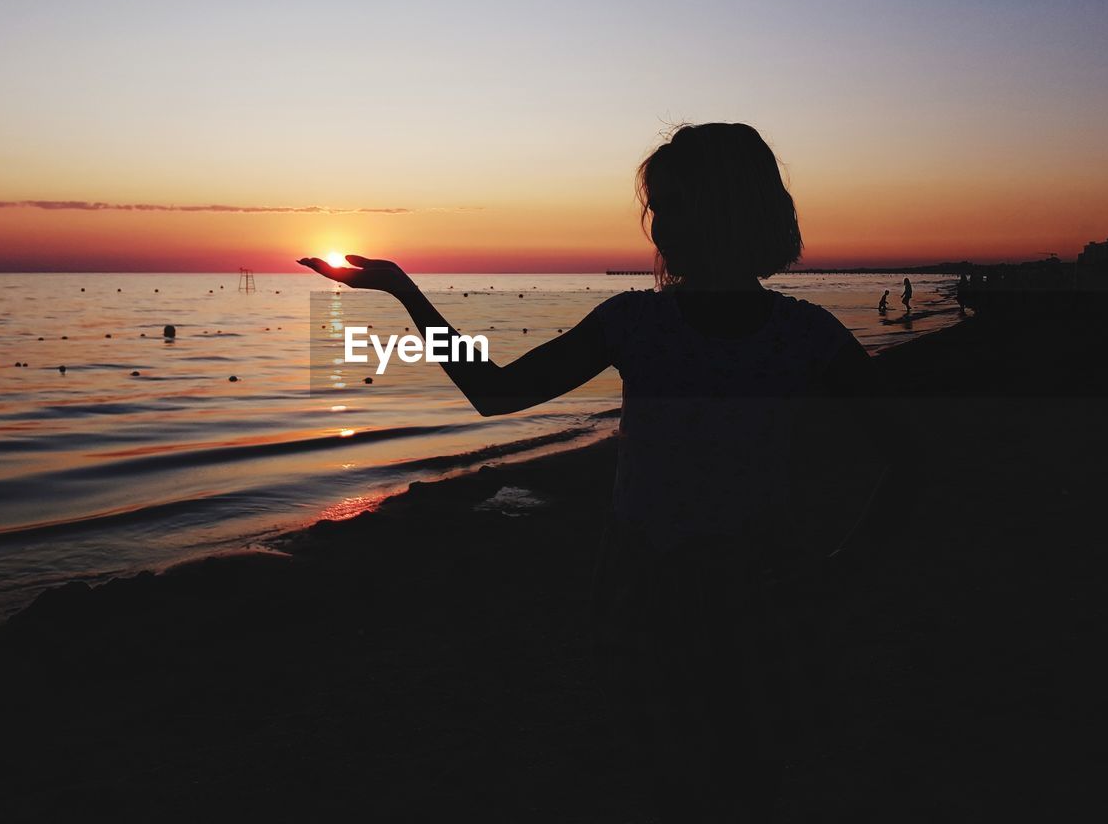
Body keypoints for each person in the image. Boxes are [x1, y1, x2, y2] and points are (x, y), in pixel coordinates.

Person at [299, 122, 890, 822]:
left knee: (734, 775)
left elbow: (906, 455)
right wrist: (404, 292)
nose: (660, 226)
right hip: (649, 582)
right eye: (657, 207)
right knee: (673, 773)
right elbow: (497, 392)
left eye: (675, 204)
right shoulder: (659, 323)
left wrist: (843, 566)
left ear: (725, 209)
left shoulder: (783, 330)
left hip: (744, 591)